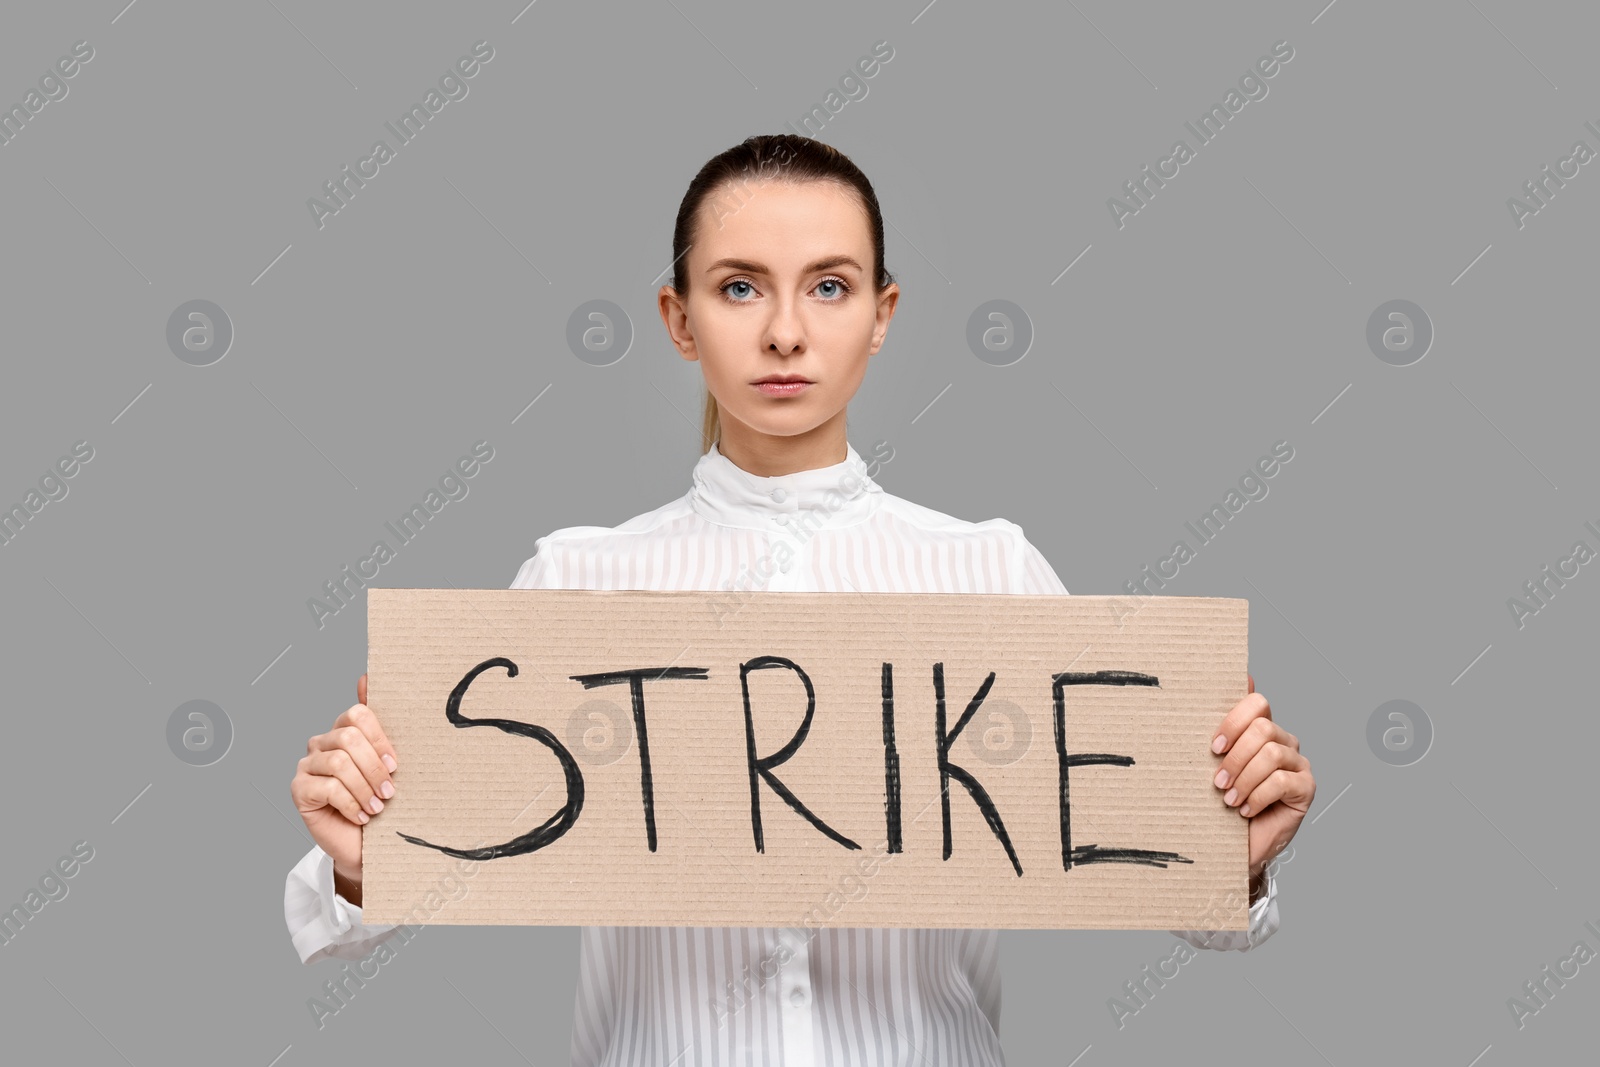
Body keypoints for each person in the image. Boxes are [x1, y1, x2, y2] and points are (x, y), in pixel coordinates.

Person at [286, 133, 1316, 1065]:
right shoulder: (575, 582)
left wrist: (1238, 848)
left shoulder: (991, 572)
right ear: (677, 318)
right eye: (740, 288)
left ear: (882, 315)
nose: (785, 332)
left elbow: (1193, 906)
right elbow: (404, 891)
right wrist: (364, 858)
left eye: (828, 287)